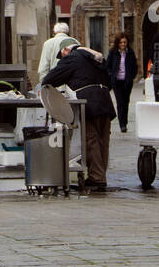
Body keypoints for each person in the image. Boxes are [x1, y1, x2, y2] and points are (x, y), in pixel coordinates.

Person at [41, 40, 116, 192]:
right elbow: (110, 80)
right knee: (103, 140)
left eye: (62, 54)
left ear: (66, 50)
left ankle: (97, 177)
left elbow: (50, 79)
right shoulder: (95, 58)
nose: (62, 57)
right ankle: (101, 176)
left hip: (88, 102)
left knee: (91, 139)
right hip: (105, 101)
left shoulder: (73, 57)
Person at [106, 32, 138, 132]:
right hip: (117, 81)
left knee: (126, 102)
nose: (123, 44)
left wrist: (131, 76)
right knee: (120, 102)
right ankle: (122, 124)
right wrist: (111, 75)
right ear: (118, 43)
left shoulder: (130, 53)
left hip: (127, 81)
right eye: (121, 43)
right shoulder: (113, 52)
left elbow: (134, 67)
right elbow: (108, 66)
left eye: (124, 42)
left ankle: (125, 121)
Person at [37, 21, 72, 85]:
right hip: (72, 86)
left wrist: (43, 83)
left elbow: (43, 67)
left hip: (55, 85)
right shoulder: (75, 42)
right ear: (67, 32)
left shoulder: (48, 43)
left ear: (55, 32)